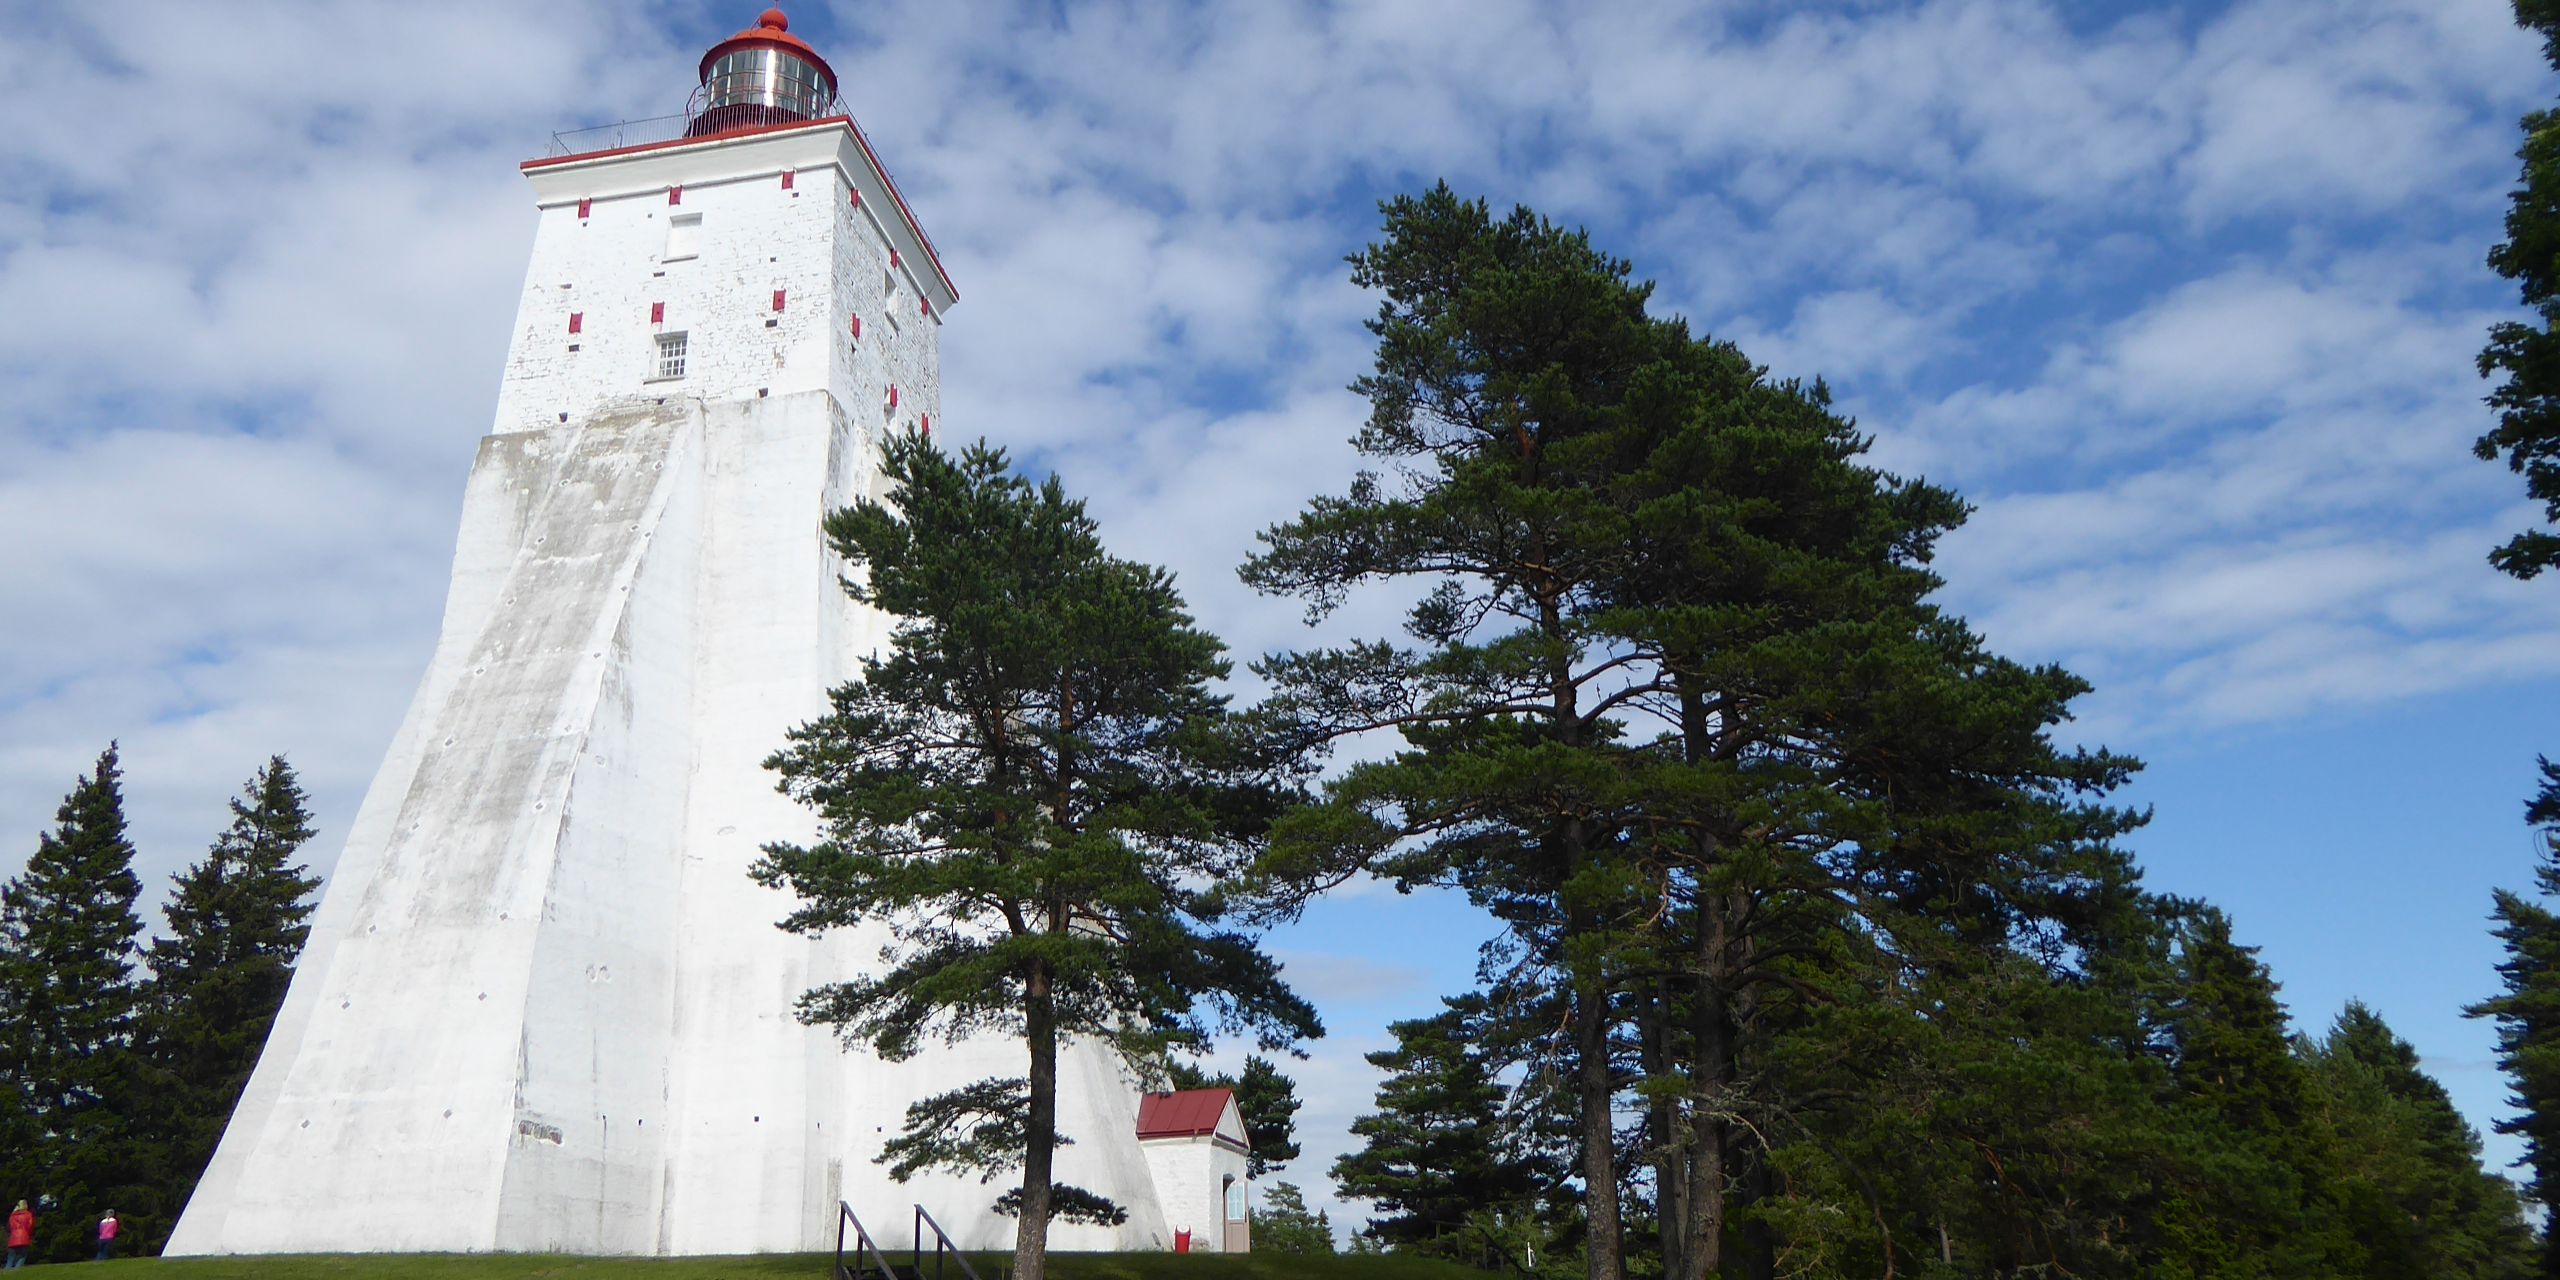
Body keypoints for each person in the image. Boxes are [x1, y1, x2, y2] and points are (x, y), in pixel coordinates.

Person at [6, 1200, 32, 1269]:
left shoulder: (12, 1216)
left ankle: (6, 1271)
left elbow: (9, 1226)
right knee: (22, 1256)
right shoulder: (28, 1214)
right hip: (23, 1237)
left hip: (13, 1238)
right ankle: (16, 1270)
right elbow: (29, 1226)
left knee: (11, 1257)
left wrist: (13, 1212)